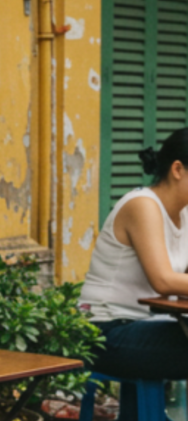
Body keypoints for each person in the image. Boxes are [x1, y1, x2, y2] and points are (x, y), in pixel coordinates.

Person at [79, 128, 188, 384]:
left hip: (151, 323)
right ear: (177, 170)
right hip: (106, 331)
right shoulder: (142, 205)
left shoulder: (184, 214)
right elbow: (163, 280)